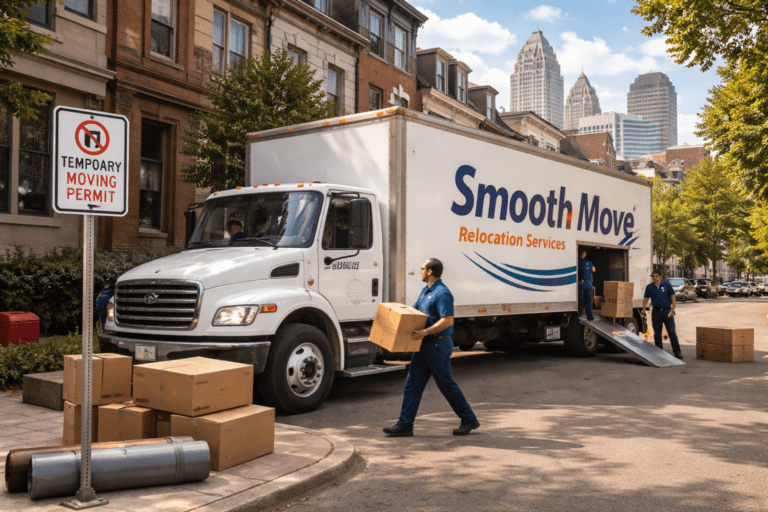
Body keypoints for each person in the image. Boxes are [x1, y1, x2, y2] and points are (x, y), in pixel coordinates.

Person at [383, 258, 479, 437]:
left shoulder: (442, 293)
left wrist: (425, 332)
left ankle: (469, 418)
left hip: (437, 344)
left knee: (445, 385)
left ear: (429, 272)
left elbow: (447, 320)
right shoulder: (425, 292)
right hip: (424, 345)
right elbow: (415, 313)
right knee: (412, 385)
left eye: (422, 268)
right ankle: (405, 425)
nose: (419, 271)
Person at [642, 271, 683, 359]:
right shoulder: (649, 287)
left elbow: (672, 296)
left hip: (667, 310)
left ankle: (677, 352)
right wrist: (643, 308)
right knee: (657, 333)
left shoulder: (667, 285)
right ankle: (659, 352)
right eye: (653, 276)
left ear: (660, 276)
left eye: (656, 276)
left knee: (671, 331)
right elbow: (646, 298)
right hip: (656, 312)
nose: (654, 278)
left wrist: (673, 308)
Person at [578, 250, 595, 321]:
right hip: (586, 283)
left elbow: (594, 270)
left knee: (583, 300)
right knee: (585, 300)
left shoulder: (581, 261)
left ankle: (583, 314)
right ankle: (587, 315)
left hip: (585, 283)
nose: (584, 254)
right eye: (583, 252)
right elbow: (593, 270)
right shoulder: (587, 262)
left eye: (585, 252)